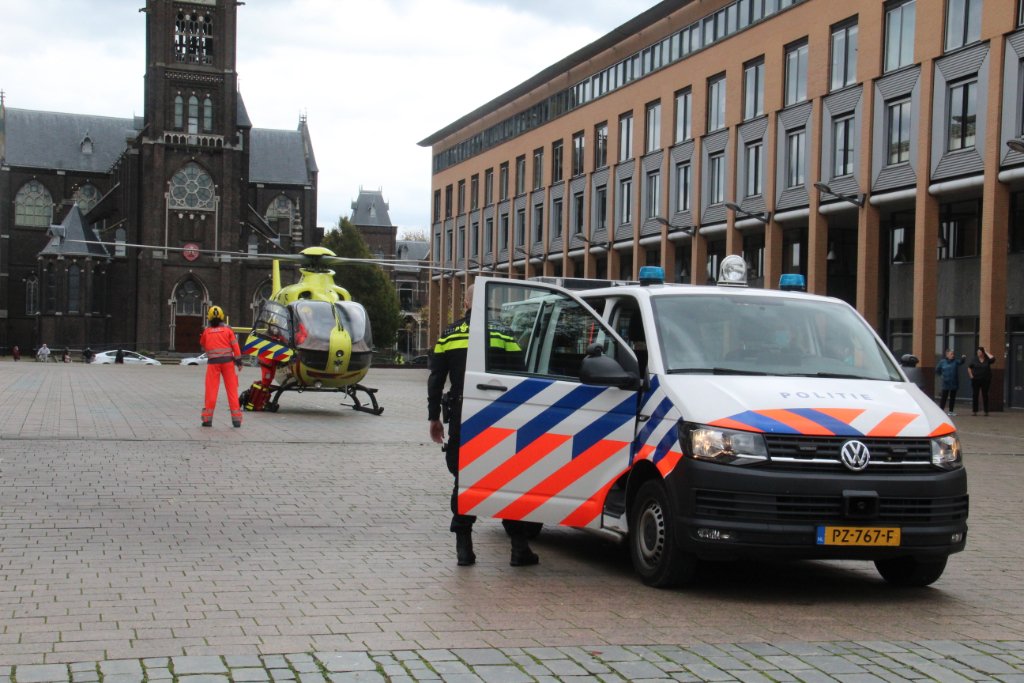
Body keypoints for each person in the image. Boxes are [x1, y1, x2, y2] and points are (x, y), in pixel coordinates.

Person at [428, 284, 540, 567]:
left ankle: (464, 548)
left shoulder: (448, 336)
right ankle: (518, 548)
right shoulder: (503, 334)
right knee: (508, 478)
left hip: (464, 417)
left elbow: (436, 379)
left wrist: (433, 417)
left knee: (464, 479)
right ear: (488, 304)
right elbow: (521, 375)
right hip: (500, 419)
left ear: (465, 303)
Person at [199, 304, 244, 428]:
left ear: (209, 317)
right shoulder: (228, 330)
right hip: (228, 363)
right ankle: (236, 420)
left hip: (213, 364)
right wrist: (239, 361)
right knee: (232, 391)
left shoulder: (206, 331)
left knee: (211, 391)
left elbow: (202, 344)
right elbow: (235, 346)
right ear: (222, 316)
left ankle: (207, 419)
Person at [935, 348, 966, 416]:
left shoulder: (955, 361)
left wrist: (963, 358)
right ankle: (941, 411)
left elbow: (961, 362)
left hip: (954, 382)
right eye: (951, 354)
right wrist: (942, 376)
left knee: (952, 397)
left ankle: (950, 411)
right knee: (944, 397)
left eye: (953, 354)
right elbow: (937, 370)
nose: (953, 355)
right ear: (947, 355)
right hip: (946, 383)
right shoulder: (942, 362)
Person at [967, 346, 996, 416]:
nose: (978, 353)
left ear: (983, 353)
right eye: (977, 352)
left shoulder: (987, 360)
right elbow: (969, 367)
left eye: (980, 352)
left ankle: (986, 411)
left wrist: (986, 352)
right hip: (976, 380)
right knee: (975, 395)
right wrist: (971, 376)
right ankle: (974, 411)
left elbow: (993, 359)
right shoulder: (974, 359)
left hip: (985, 380)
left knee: (985, 395)